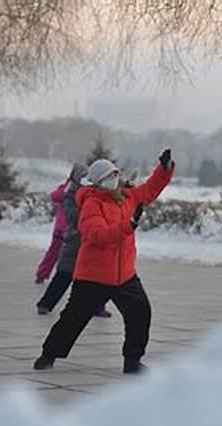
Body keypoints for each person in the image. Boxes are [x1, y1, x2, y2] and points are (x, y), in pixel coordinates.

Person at [33, 149, 175, 374]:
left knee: (140, 312)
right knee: (73, 319)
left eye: (116, 174)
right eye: (109, 176)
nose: (114, 179)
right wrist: (128, 226)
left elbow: (150, 189)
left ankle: (132, 361)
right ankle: (49, 354)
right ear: (98, 183)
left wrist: (164, 169)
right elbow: (97, 235)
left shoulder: (128, 197)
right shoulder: (91, 204)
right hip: (93, 276)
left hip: (125, 275)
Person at [36, 163, 111, 318]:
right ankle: (45, 304)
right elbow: (73, 216)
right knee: (64, 275)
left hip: (91, 241)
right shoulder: (69, 194)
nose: (85, 178)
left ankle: (98, 307)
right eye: (82, 175)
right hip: (74, 241)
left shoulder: (94, 192)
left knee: (96, 277)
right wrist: (91, 216)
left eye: (87, 175)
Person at [34, 179, 70, 283]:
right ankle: (42, 274)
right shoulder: (66, 188)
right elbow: (54, 196)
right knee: (53, 253)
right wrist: (66, 188)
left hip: (75, 230)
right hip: (61, 229)